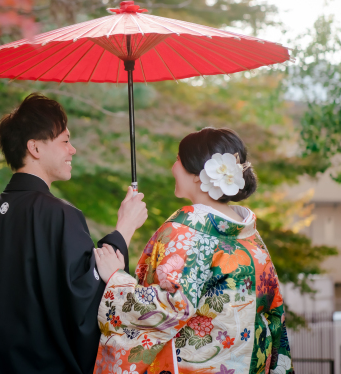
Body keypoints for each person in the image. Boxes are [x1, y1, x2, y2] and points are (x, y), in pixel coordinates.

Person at [0, 93, 148, 374]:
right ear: (35, 148)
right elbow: (85, 298)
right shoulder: (59, 214)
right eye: (65, 141)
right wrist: (125, 227)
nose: (72, 150)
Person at [92, 127, 294, 374]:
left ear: (199, 175)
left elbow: (172, 305)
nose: (172, 168)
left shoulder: (186, 228)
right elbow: (273, 310)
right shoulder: (249, 234)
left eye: (177, 159)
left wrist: (117, 279)